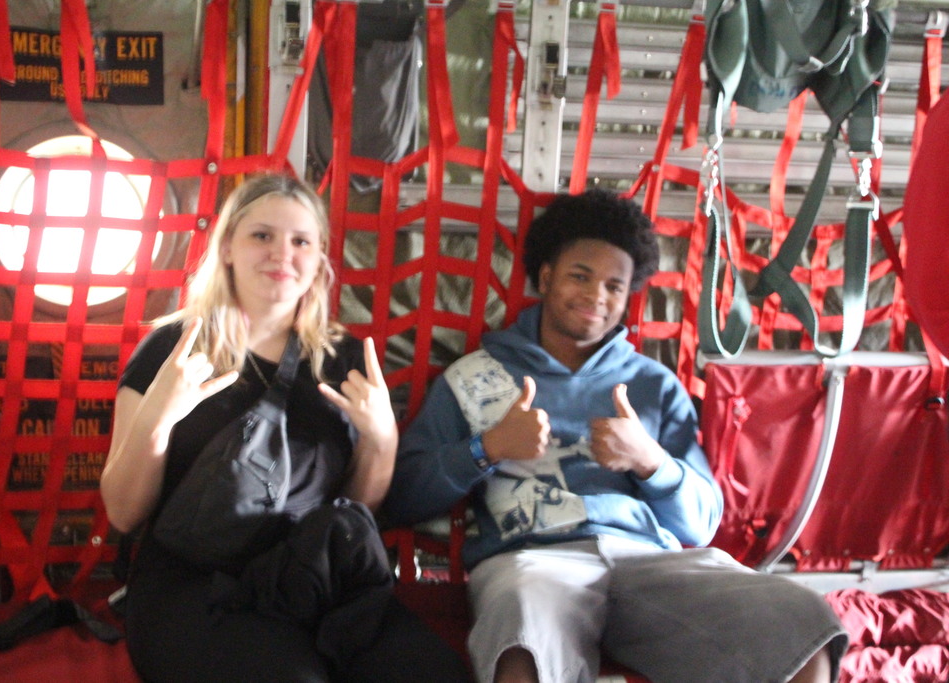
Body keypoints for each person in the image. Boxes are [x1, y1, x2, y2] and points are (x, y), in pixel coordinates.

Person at [381, 188, 848, 683]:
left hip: (647, 562)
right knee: (521, 637)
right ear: (546, 276)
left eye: (613, 286)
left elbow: (702, 523)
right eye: (580, 276)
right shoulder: (475, 376)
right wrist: (487, 449)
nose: (596, 297)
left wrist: (652, 462)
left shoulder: (654, 385)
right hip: (531, 561)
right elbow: (405, 496)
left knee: (802, 627)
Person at [100, 174, 469, 683]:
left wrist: (382, 440)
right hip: (194, 583)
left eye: (301, 241)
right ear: (227, 247)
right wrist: (159, 416)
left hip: (311, 574)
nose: (282, 253)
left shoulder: (343, 358)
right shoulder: (173, 350)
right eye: (262, 236)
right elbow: (122, 512)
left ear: (319, 260)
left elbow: (359, 507)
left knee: (433, 671)